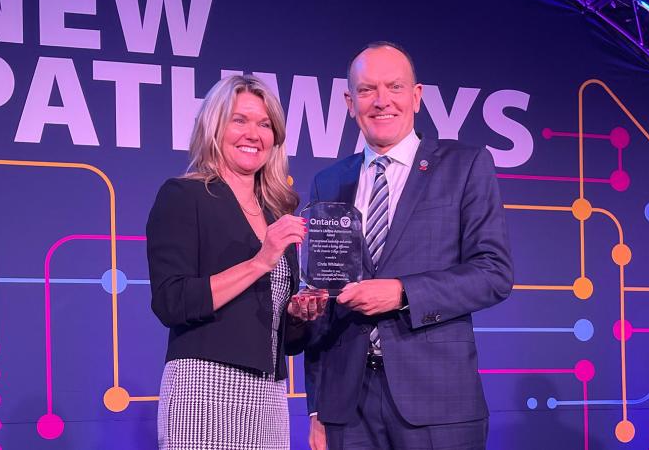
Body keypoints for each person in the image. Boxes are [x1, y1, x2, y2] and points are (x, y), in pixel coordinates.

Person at [302, 42, 514, 449]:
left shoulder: (464, 165)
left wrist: (402, 293)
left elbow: (493, 273)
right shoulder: (328, 182)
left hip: (438, 405)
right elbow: (323, 300)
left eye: (394, 87)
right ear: (350, 102)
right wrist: (318, 408)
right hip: (348, 409)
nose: (382, 101)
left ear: (416, 97)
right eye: (366, 90)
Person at [146, 75, 324, 450]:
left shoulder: (278, 212)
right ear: (214, 127)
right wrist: (261, 260)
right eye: (239, 120)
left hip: (270, 393)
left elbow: (284, 337)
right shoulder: (184, 196)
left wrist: (298, 314)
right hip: (204, 387)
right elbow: (171, 302)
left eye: (264, 124)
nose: (253, 134)